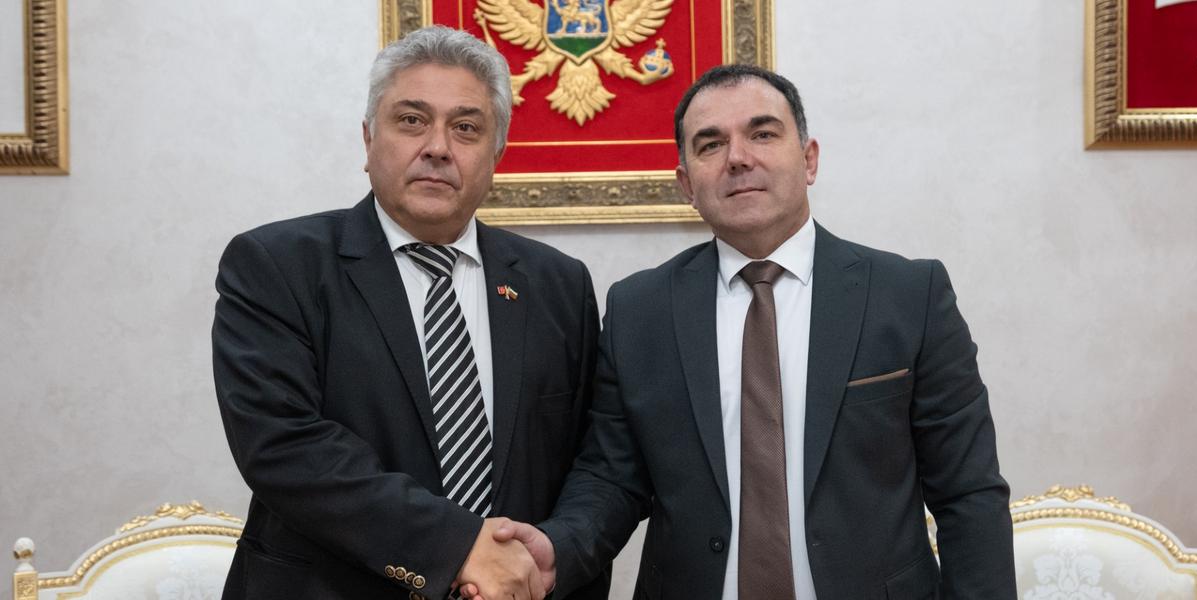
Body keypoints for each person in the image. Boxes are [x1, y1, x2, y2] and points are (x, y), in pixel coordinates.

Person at [472, 65, 1016, 599]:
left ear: (809, 159)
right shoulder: (640, 309)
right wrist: (559, 548)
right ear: (687, 184)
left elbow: (968, 493)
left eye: (763, 134)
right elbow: (613, 476)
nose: (738, 158)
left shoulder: (909, 295)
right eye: (710, 144)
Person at [212, 26, 607, 600]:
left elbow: (598, 455)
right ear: (369, 138)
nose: (438, 147)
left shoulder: (558, 284)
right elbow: (284, 446)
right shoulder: (276, 265)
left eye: (466, 128)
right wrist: (458, 547)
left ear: (496, 154)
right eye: (411, 120)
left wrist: (557, 552)